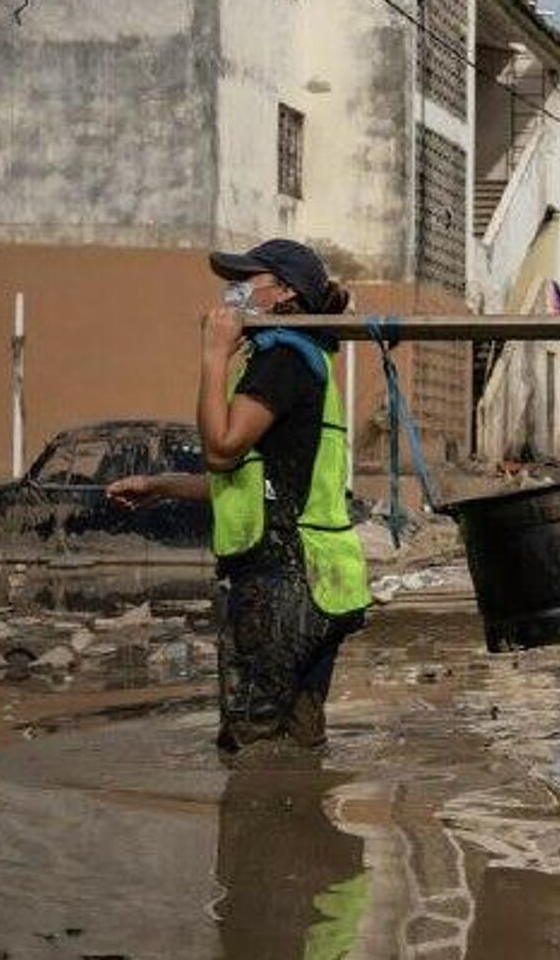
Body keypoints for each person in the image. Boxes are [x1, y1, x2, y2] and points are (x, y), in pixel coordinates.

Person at [107, 239, 369, 754]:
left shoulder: (282, 360)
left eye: (247, 281)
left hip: (280, 583)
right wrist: (159, 486)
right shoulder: (312, 363)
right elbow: (259, 483)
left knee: (251, 749)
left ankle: (259, 832)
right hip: (325, 581)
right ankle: (309, 829)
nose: (235, 293)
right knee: (299, 745)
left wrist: (214, 355)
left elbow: (223, 450)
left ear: (284, 291)